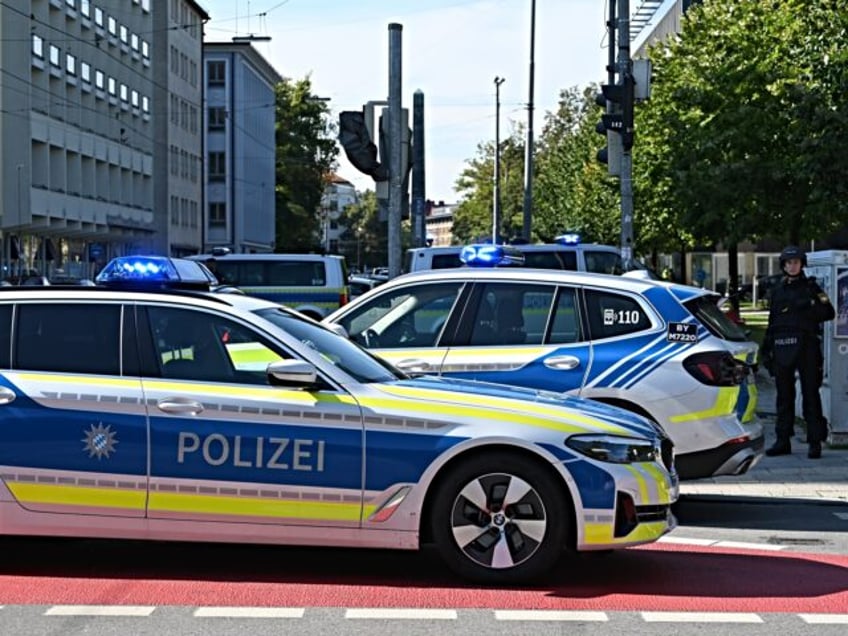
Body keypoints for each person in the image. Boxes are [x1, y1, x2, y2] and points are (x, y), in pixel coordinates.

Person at [760, 246, 835, 459]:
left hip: (807, 348)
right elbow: (772, 321)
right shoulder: (778, 290)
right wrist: (768, 349)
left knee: (811, 394)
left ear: (802, 264)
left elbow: (829, 312)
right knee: (784, 396)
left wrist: (809, 307)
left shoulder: (811, 288)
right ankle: (782, 440)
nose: (792, 266)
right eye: (789, 263)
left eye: (796, 262)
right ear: (783, 265)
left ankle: (814, 442)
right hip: (782, 346)